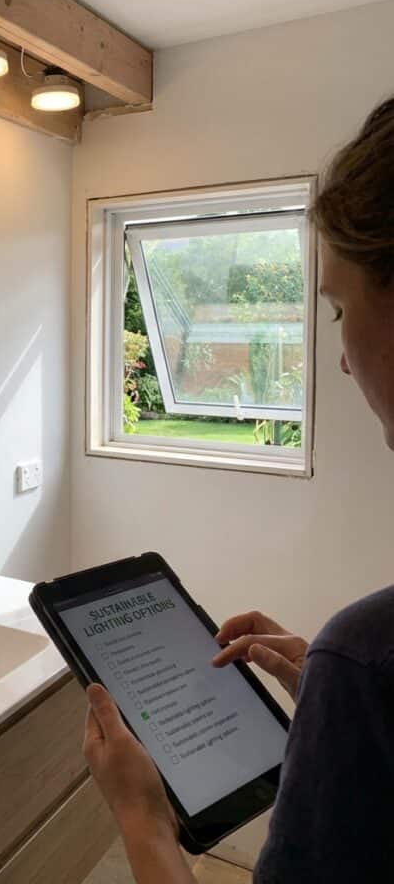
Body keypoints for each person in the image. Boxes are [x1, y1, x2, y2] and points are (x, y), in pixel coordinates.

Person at [83, 97, 394, 883]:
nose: (341, 358)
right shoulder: (362, 665)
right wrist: (333, 688)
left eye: (338, 308)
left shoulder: (369, 654)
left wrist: (143, 820)